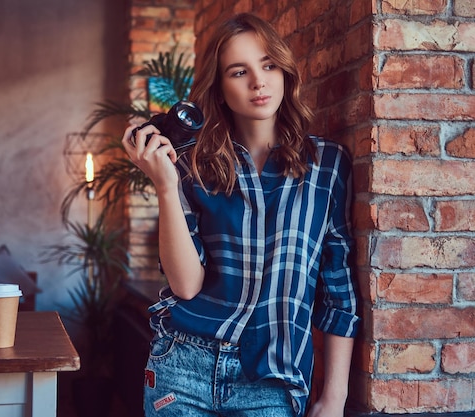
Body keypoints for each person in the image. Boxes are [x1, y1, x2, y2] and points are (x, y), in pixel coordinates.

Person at [122, 12, 361, 417]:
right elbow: (185, 285)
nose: (258, 81)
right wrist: (165, 184)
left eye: (268, 65)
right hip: (184, 368)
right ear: (219, 90)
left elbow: (339, 292)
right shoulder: (191, 166)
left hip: (272, 379)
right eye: (239, 71)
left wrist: (334, 397)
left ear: (284, 71)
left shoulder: (327, 165)